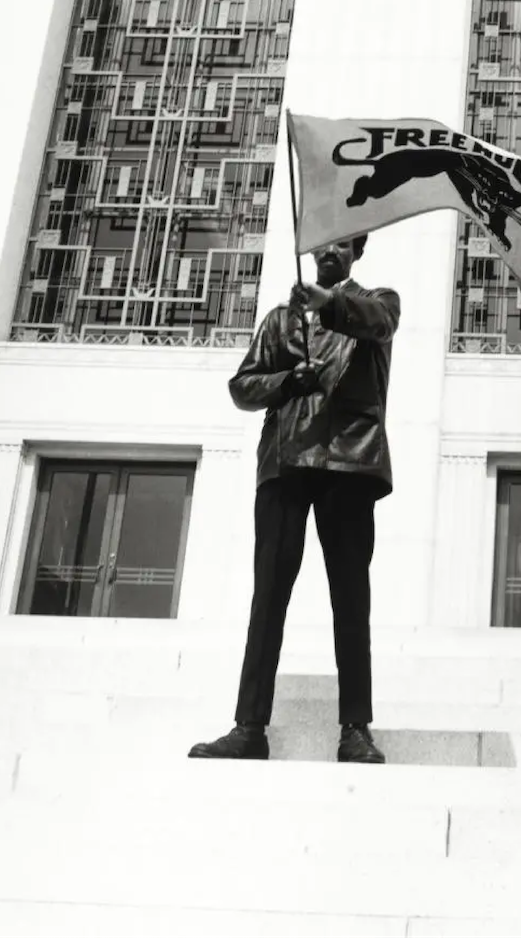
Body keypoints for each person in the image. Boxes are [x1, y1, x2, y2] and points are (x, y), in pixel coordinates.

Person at [189, 235, 399, 765]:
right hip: (285, 463)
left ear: (358, 251)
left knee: (351, 600)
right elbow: (242, 385)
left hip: (349, 462)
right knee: (268, 598)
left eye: (342, 246)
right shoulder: (281, 320)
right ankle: (249, 726)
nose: (330, 253)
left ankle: (356, 728)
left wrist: (327, 305)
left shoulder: (379, 300)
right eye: (323, 246)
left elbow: (378, 322)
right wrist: (287, 381)